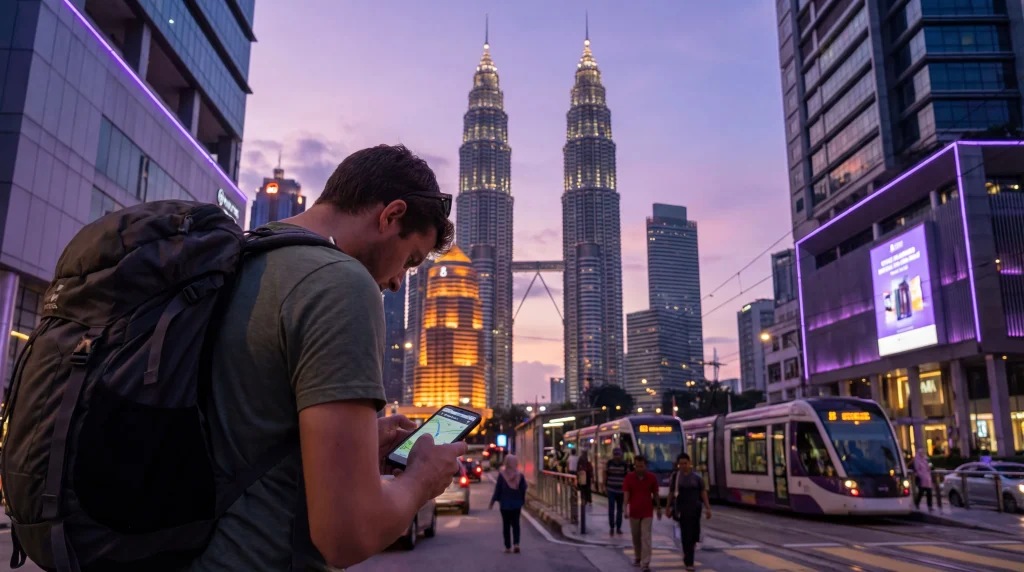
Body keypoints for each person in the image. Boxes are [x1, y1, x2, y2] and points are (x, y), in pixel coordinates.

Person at [189, 145, 466, 571]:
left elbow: (238, 429)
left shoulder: (242, 258)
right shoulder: (340, 284)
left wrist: (355, 446)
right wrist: (422, 479)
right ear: (391, 216)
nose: (398, 282)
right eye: (409, 261)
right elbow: (348, 535)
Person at [667, 453, 712, 571]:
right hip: (682, 510)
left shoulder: (697, 478)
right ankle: (689, 562)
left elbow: (703, 492)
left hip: (695, 510)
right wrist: (667, 507)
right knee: (686, 535)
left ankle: (688, 554)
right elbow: (671, 493)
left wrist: (708, 508)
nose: (683, 466)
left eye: (685, 463)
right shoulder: (676, 477)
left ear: (690, 463)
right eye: (680, 464)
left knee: (694, 535)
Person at [623, 455, 661, 571]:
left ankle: (645, 563)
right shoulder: (629, 477)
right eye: (637, 466)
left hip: (647, 512)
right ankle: (638, 556)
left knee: (646, 537)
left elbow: (655, 494)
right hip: (634, 512)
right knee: (636, 536)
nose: (639, 468)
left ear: (646, 466)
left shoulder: (652, 477)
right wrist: (625, 509)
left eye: (641, 466)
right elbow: (626, 494)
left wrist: (659, 508)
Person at [490, 454, 528, 553]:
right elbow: (523, 488)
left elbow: (498, 489)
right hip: (516, 504)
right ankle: (516, 544)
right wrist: (523, 500)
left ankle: (507, 547)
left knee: (506, 525)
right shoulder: (520, 475)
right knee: (516, 524)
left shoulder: (502, 475)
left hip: (504, 505)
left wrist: (492, 501)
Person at [605, 448, 629, 535]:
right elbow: (605, 474)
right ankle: (612, 527)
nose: (617, 457)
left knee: (619, 509)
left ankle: (618, 527)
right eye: (615, 455)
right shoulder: (609, 463)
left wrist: (627, 489)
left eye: (618, 455)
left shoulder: (624, 464)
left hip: (621, 490)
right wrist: (605, 485)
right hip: (611, 489)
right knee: (611, 508)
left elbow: (627, 477)